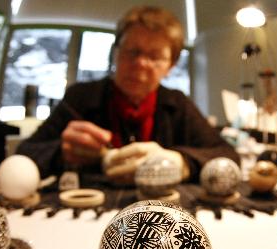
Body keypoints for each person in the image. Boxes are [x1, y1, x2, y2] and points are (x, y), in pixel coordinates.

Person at [16, 5, 239, 184]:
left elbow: (228, 155)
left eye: (154, 56)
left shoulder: (177, 103)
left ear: (170, 66)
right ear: (115, 52)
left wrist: (181, 163)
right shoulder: (80, 97)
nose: (140, 63)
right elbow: (25, 154)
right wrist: (61, 153)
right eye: (132, 51)